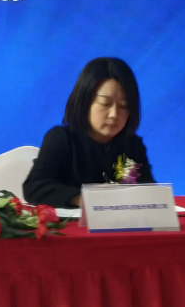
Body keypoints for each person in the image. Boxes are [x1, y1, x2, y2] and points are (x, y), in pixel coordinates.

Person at [23, 57, 155, 208]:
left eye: (124, 106)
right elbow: (34, 187)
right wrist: (83, 198)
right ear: (85, 102)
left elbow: (149, 190)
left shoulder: (132, 145)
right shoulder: (61, 139)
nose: (114, 114)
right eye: (105, 103)